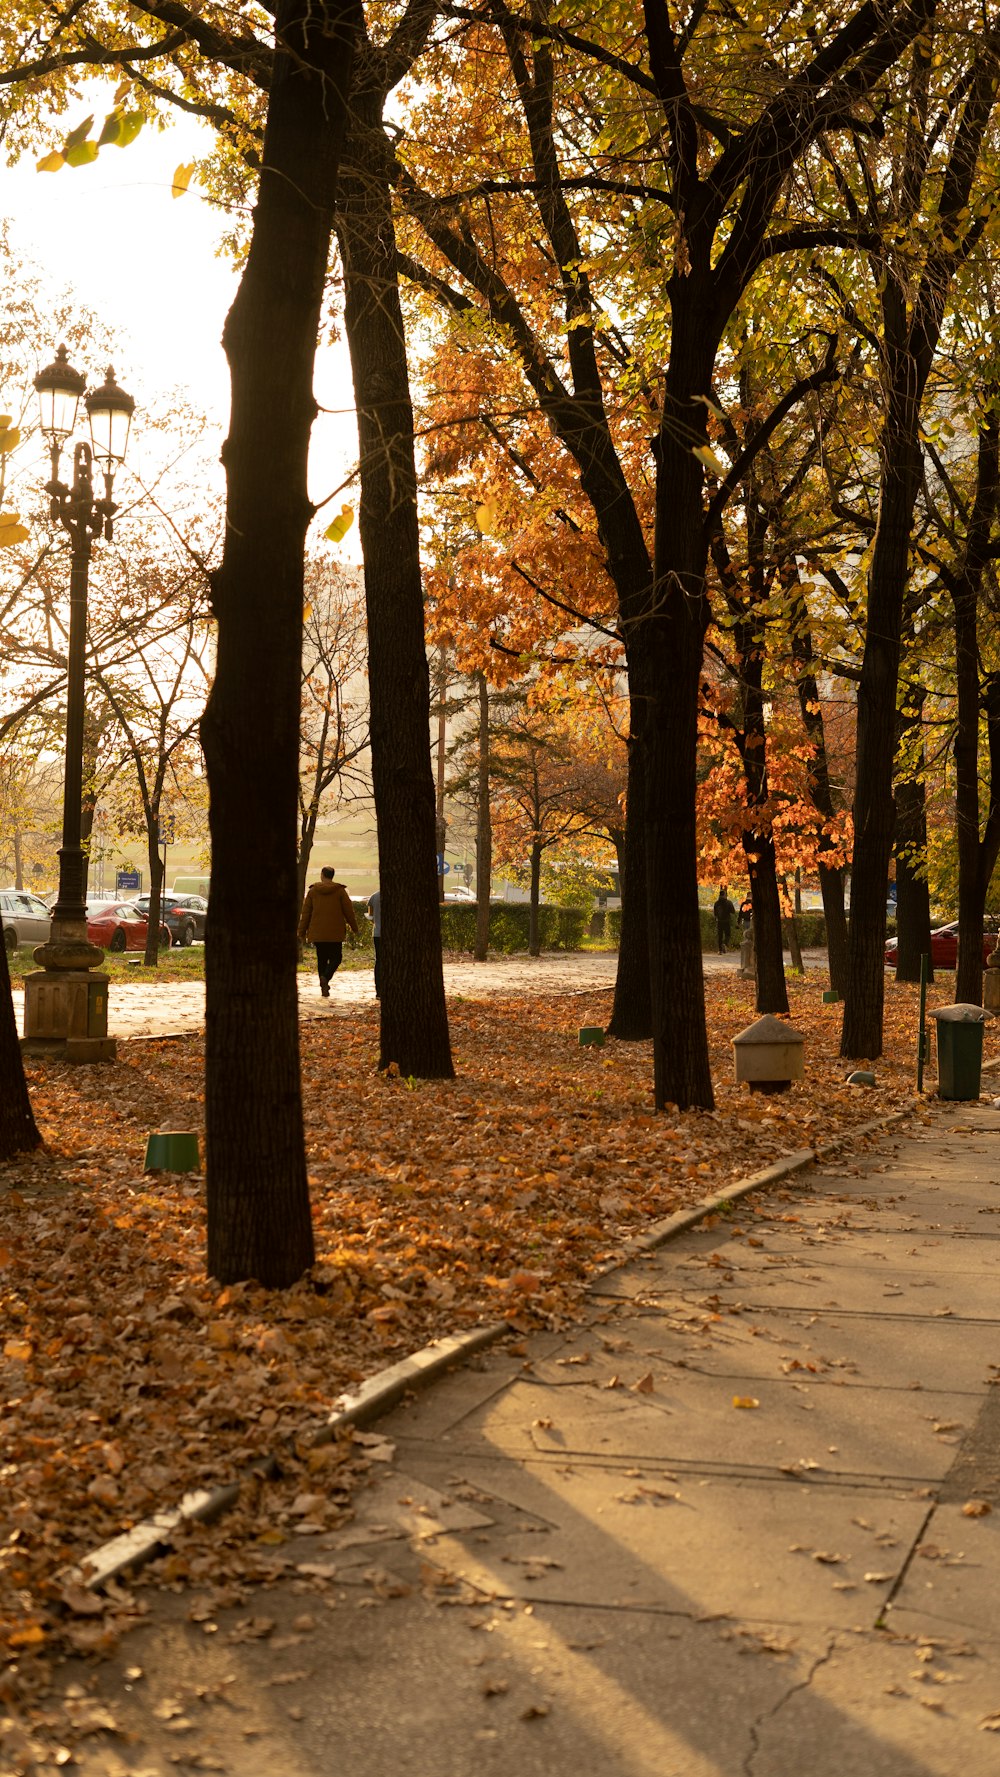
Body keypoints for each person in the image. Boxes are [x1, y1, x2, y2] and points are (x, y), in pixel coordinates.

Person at [297, 866, 359, 997]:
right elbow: (349, 911)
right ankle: (326, 977)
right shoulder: (340, 891)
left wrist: (301, 932)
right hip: (335, 933)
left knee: (322, 959)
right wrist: (354, 927)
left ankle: (323, 985)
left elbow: (306, 913)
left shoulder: (313, 891)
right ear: (332, 875)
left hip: (318, 933)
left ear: (322, 875)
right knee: (337, 958)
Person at [366, 885, 381, 999]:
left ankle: (379, 991)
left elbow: (370, 916)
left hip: (377, 933)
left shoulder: (374, 897)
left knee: (379, 961)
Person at [713, 887, 735, 954]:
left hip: (719, 921)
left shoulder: (716, 903)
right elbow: (733, 911)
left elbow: (715, 913)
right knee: (728, 934)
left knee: (720, 936)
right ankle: (725, 944)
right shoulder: (729, 902)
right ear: (725, 895)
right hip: (727, 921)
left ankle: (720, 950)